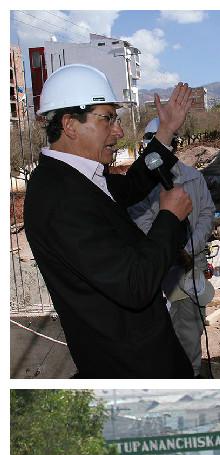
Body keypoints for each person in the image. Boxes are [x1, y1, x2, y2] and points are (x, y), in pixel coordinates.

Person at [23, 65, 195, 377]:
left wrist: (166, 131)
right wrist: (169, 218)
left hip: (142, 346)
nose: (118, 131)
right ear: (70, 125)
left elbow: (129, 187)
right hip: (129, 364)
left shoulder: (76, 176)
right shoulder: (59, 199)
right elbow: (134, 285)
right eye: (108, 118)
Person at [130, 117, 215, 376]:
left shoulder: (193, 178)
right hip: (159, 267)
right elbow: (139, 220)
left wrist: (189, 247)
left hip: (192, 264)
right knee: (163, 327)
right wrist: (170, 249)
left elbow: (207, 213)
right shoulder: (139, 187)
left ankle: (191, 373)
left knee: (191, 326)